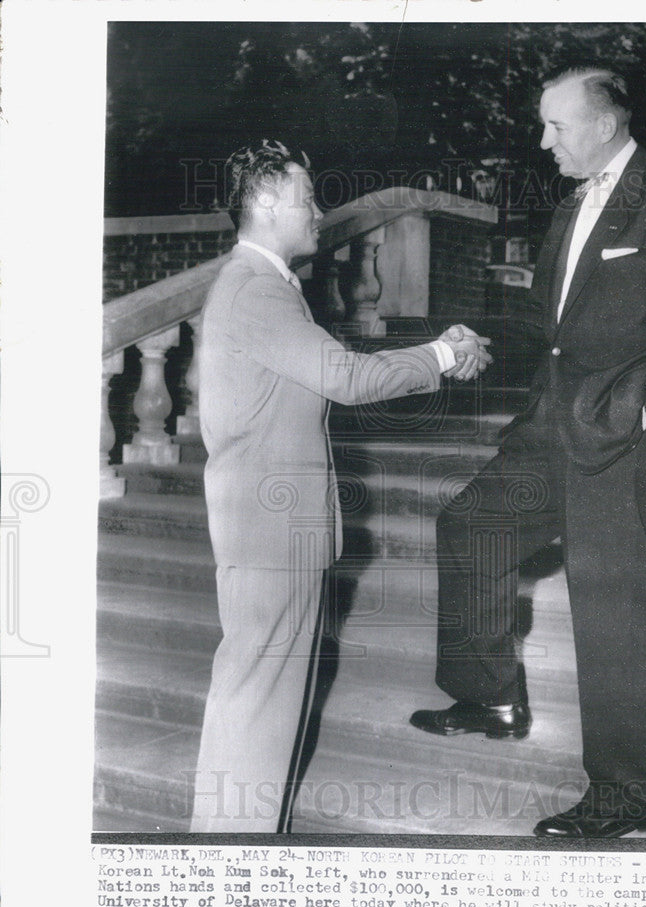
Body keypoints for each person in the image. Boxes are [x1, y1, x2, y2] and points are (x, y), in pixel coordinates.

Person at [410, 67, 646, 838]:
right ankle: (488, 693)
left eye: (556, 126)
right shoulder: (570, 205)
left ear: (603, 125)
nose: (544, 140)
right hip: (548, 427)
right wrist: (475, 342)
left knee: (611, 606)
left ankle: (626, 795)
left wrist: (637, 411)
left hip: (621, 438)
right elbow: (545, 321)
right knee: (469, 527)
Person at [190, 139, 491, 832]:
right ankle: (231, 859)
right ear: (267, 204)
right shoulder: (256, 289)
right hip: (269, 531)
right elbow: (348, 379)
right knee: (257, 707)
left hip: (267, 526)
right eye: (306, 196)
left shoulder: (259, 284)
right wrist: (443, 353)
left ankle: (233, 847)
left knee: (258, 703)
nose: (320, 212)